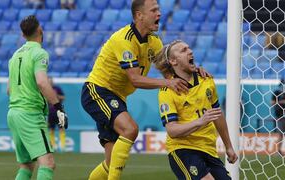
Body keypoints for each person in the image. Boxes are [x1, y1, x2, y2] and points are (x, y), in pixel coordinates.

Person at [81, 0, 210, 179]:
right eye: (154, 10)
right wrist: (168, 84)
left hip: (117, 97)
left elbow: (170, 73)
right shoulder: (123, 39)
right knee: (130, 129)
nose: (159, 14)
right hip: (98, 90)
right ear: (139, 16)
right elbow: (135, 79)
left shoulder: (154, 42)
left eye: (159, 9)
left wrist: (193, 72)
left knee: (111, 163)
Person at [155, 40, 238, 180]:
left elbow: (217, 115)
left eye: (189, 48)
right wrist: (200, 121)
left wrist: (228, 146)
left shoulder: (207, 80)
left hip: (209, 149)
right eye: (183, 50)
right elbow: (172, 130)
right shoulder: (167, 91)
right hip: (182, 149)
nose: (190, 51)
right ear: (173, 61)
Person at [7, 15, 68, 180]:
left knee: (26, 165)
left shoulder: (15, 56)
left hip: (13, 113)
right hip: (30, 114)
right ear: (40, 30)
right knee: (47, 163)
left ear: (22, 35)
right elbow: (42, 82)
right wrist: (58, 107)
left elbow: (8, 89)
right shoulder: (40, 53)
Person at [47, 77, 66, 151]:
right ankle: (53, 146)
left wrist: (57, 96)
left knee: (61, 128)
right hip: (50, 113)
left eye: (50, 80)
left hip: (59, 112)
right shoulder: (46, 90)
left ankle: (63, 147)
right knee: (51, 129)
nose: (50, 82)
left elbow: (63, 97)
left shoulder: (57, 88)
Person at [271, 79, 285, 155]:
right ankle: (278, 150)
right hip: (279, 116)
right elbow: (272, 103)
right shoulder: (276, 93)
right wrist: (280, 102)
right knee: (280, 134)